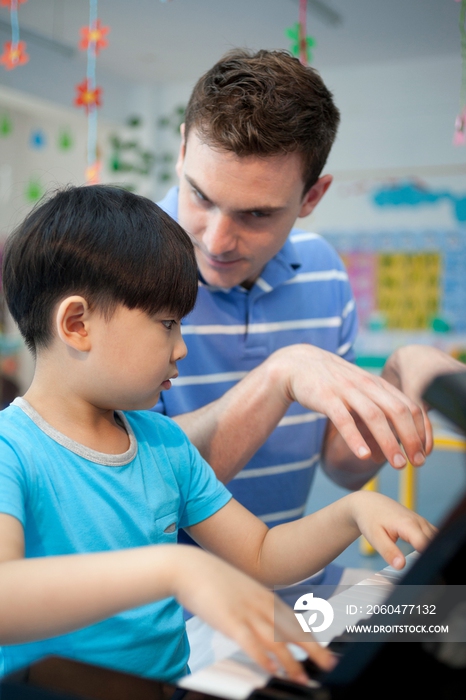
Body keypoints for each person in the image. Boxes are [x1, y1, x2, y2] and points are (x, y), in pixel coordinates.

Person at [0, 184, 436, 685]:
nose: (180, 348)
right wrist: (174, 570)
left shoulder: (163, 443)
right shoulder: (12, 450)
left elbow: (262, 554)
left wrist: (351, 513)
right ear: (77, 323)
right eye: (167, 325)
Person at [154, 50, 465, 647]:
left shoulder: (324, 271)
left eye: (256, 214)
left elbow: (343, 470)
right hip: (175, 612)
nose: (217, 240)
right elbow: (146, 486)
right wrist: (280, 376)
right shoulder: (124, 268)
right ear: (183, 149)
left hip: (294, 588)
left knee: (448, 619)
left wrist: (397, 384)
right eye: (199, 196)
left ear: (313, 196)